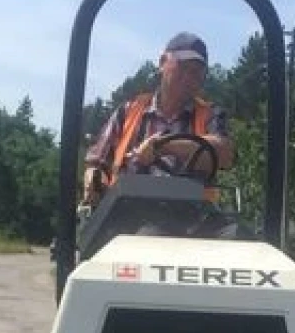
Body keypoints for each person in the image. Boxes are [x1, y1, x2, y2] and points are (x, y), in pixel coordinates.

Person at [83, 31, 234, 206]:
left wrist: (163, 146)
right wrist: (94, 180)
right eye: (183, 66)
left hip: (197, 217)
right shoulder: (127, 112)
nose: (189, 75)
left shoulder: (210, 114)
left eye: (197, 71)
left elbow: (224, 154)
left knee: (240, 233)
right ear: (162, 63)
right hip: (130, 215)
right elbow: (97, 162)